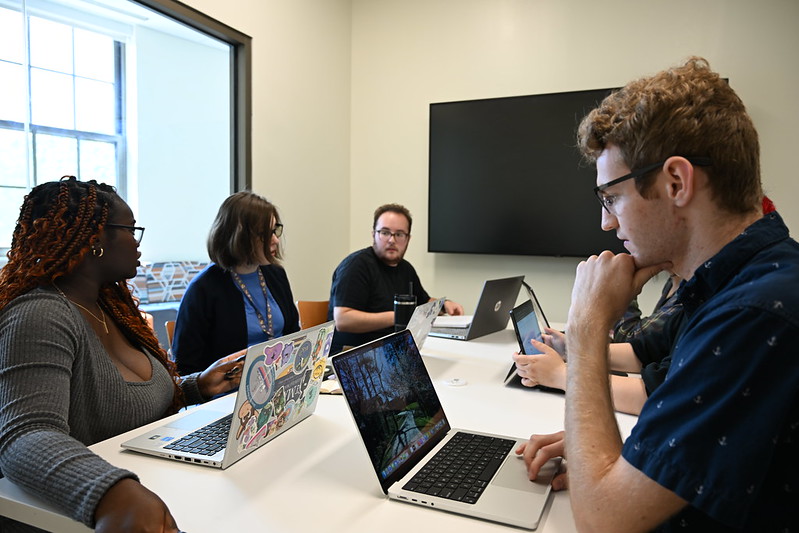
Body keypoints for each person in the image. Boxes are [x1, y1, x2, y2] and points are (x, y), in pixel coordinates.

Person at [517, 57, 798, 532]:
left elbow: (602, 521)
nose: (606, 222)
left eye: (612, 197)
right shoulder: (736, 284)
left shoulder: (752, 314)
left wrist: (587, 325)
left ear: (676, 182)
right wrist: (615, 452)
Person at [0, 177, 245, 533]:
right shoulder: (40, 314)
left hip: (158, 479)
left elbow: (128, 400)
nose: (137, 243)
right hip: (77, 507)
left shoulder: (109, 304)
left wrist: (196, 386)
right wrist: (112, 494)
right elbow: (26, 435)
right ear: (95, 239)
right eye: (131, 230)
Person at [172, 191, 300, 375]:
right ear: (240, 237)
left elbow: (293, 334)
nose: (275, 240)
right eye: (266, 234)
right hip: (228, 393)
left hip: (279, 381)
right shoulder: (203, 289)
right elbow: (187, 367)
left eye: (275, 231)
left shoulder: (275, 274)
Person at [327, 203, 463, 353]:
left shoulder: (405, 268)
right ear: (374, 234)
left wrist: (444, 304)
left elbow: (424, 302)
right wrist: (400, 315)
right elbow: (343, 320)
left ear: (408, 239)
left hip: (395, 349)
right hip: (354, 355)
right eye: (385, 232)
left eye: (399, 234)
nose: (391, 240)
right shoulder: (355, 266)